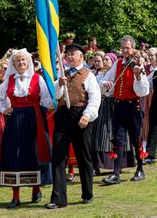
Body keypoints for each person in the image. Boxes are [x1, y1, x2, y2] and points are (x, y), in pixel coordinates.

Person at [0, 49, 53, 208]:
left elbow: (47, 98)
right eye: (18, 61)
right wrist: (3, 109)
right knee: (15, 154)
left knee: (33, 152)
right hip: (15, 120)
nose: (20, 63)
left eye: (23, 61)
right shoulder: (9, 80)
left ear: (29, 63)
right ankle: (15, 196)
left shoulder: (37, 79)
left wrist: (48, 108)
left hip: (34, 118)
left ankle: (36, 189)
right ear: (14, 63)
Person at [45, 44, 101, 209]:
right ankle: (58, 198)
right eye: (67, 54)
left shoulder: (88, 75)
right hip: (63, 116)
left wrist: (87, 115)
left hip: (80, 116)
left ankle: (87, 193)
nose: (69, 57)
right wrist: (59, 85)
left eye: (72, 54)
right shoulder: (62, 75)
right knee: (58, 157)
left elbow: (95, 98)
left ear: (81, 57)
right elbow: (52, 99)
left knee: (83, 156)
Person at [101, 36, 149, 185]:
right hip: (118, 105)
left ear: (133, 48)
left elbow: (142, 91)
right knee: (118, 138)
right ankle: (116, 173)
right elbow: (105, 80)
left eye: (127, 48)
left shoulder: (138, 65)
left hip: (133, 105)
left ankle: (140, 169)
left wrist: (138, 75)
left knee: (136, 138)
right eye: (123, 48)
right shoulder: (118, 63)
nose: (125, 51)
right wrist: (106, 84)